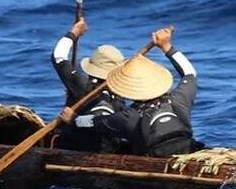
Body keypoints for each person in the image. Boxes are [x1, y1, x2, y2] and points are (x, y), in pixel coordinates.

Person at [60, 27, 202, 157]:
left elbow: (95, 122)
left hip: (154, 160)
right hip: (187, 151)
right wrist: (166, 47)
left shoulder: (128, 117)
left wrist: (73, 119)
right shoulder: (179, 99)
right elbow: (190, 73)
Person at [51, 18, 127, 152]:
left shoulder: (81, 84)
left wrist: (74, 33)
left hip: (77, 148)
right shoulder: (121, 90)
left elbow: (58, 56)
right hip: (111, 149)